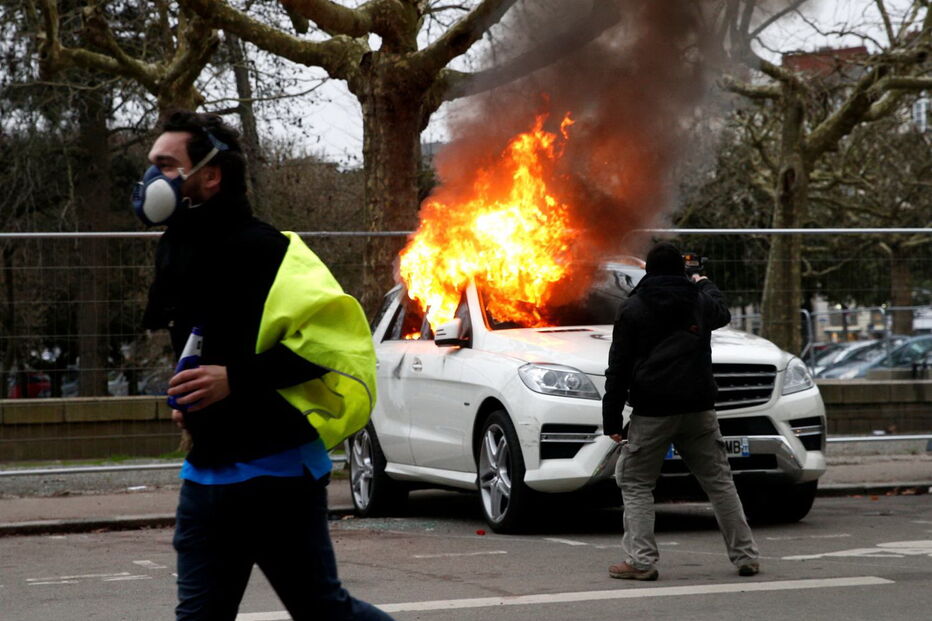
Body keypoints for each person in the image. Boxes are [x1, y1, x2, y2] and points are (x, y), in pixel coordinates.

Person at [135, 110, 394, 621]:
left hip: (276, 476)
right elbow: (201, 347)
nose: (151, 179)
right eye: (152, 165)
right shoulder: (176, 248)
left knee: (323, 611)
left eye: (166, 164)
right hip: (206, 476)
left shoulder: (270, 250)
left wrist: (234, 379)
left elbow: (329, 348)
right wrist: (191, 404)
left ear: (210, 174)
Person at [601, 241, 759, 581]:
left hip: (653, 410)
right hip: (699, 407)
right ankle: (745, 556)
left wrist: (611, 417)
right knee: (719, 482)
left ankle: (641, 562)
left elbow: (619, 367)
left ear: (647, 270)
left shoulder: (634, 307)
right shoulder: (698, 301)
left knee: (635, 481)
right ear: (680, 270)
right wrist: (702, 280)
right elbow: (722, 312)